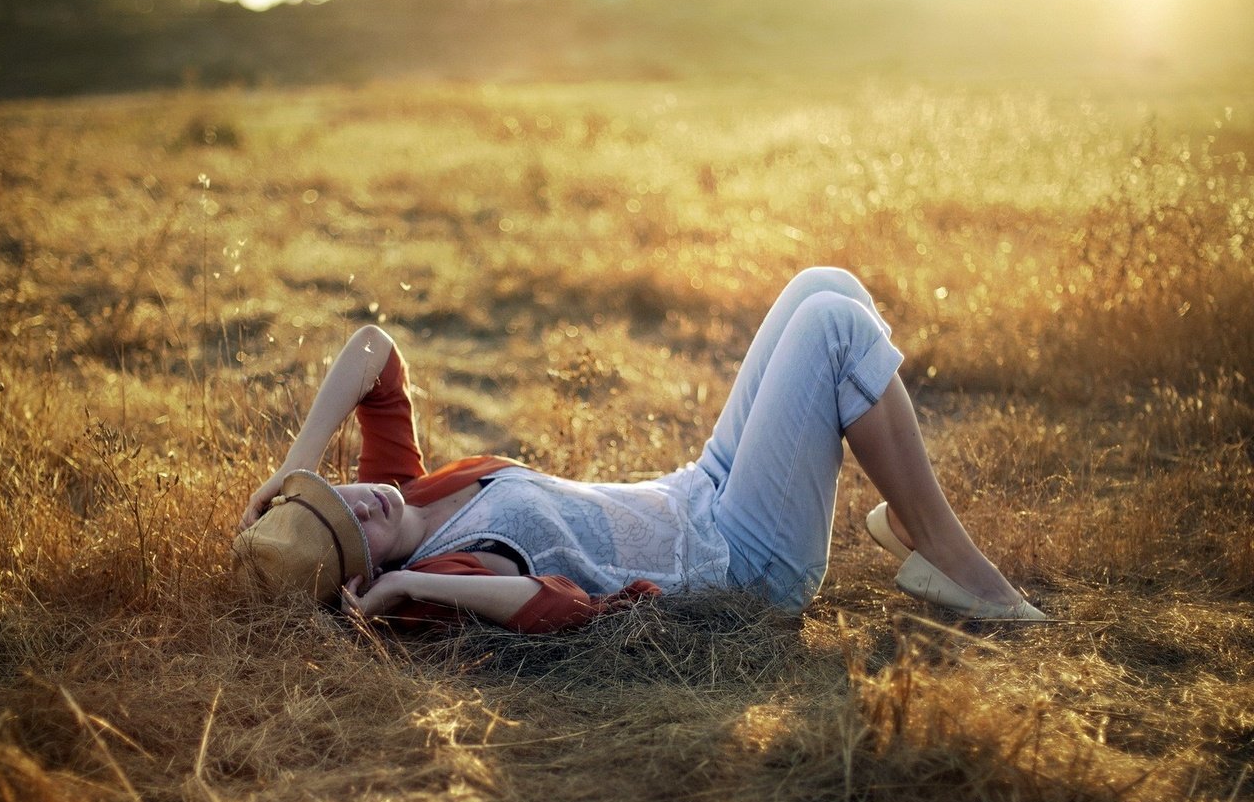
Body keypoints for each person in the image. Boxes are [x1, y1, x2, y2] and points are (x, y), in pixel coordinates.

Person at [234, 268, 1045, 632]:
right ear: (359, 576)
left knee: (821, 286)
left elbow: (373, 348)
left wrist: (294, 467)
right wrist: (403, 582)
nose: (363, 502)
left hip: (699, 490)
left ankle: (911, 519)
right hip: (742, 562)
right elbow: (555, 607)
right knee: (834, 330)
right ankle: (949, 557)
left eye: (336, 493)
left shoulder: (399, 490)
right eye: (353, 529)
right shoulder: (442, 574)